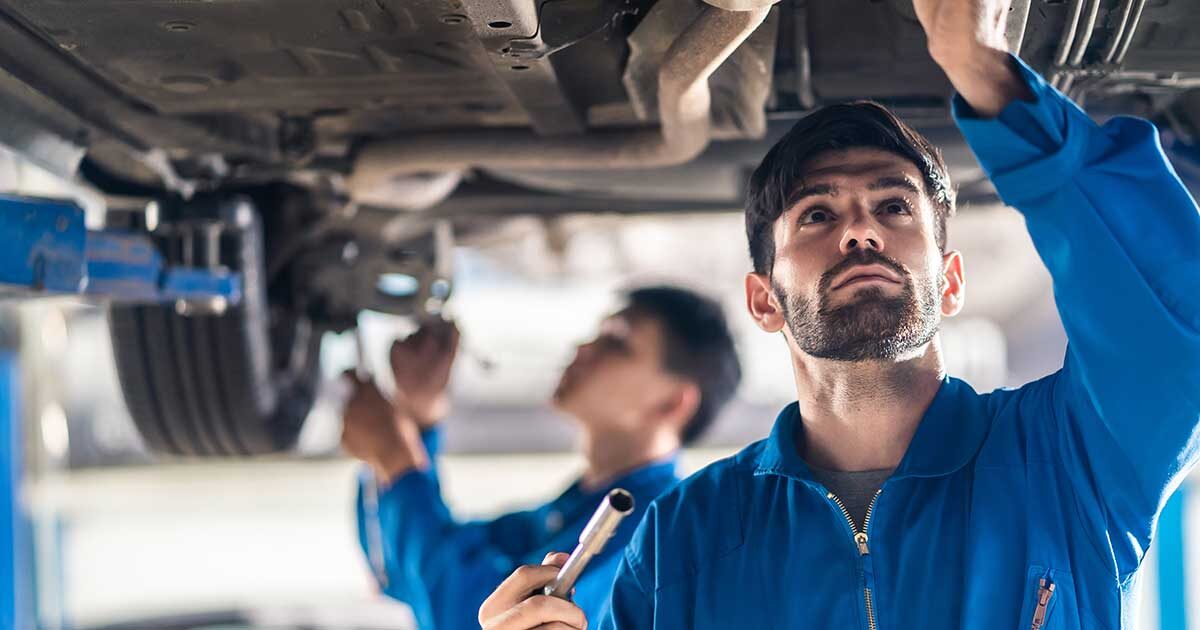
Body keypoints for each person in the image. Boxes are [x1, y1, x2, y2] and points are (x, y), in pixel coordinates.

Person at [476, 0, 1200, 627]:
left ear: (950, 284)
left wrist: (986, 75)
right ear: (765, 300)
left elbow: (1174, 330)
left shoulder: (1072, 460)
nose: (861, 232)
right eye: (817, 214)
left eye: (893, 206)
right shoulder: (683, 540)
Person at [340, 286, 742, 630]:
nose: (583, 348)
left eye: (616, 343)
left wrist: (399, 463)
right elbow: (399, 569)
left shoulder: (648, 536)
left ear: (673, 402)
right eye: (596, 335)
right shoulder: (577, 508)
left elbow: (475, 617)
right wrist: (417, 418)